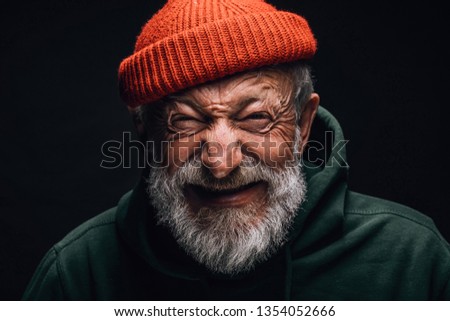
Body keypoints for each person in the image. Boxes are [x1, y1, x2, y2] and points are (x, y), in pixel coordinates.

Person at [23, 0, 450, 300]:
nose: (221, 163)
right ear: (146, 134)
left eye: (256, 119)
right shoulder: (77, 277)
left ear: (303, 125)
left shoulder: (412, 260)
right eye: (186, 121)